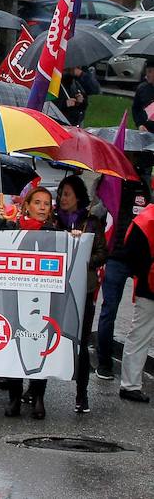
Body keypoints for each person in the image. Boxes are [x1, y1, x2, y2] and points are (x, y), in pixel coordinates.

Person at [0, 186, 62, 418]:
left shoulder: (55, 232)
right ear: (27, 206)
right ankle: (14, 398)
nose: (43, 207)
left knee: (40, 346)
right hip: (16, 297)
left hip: (43, 297)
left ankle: (38, 396)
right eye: (38, 203)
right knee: (15, 346)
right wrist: (0, 221)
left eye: (47, 203)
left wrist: (75, 239)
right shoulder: (13, 227)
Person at [54, 175, 106, 412]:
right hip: (54, 289)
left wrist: (81, 252)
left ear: (78, 197)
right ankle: (34, 390)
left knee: (81, 344)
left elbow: (101, 254)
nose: (63, 198)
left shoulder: (92, 222)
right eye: (61, 193)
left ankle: (81, 394)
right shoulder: (53, 221)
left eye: (67, 194)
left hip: (82, 289)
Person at [96, 169, 151, 378]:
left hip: (139, 258)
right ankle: (104, 363)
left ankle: (132, 371)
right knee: (109, 309)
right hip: (116, 256)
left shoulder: (143, 185)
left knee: (144, 312)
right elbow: (100, 212)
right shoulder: (111, 180)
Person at [119, 200, 154, 402]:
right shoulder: (147, 219)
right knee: (140, 335)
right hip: (149, 285)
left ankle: (130, 384)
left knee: (139, 335)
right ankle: (130, 385)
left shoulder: (146, 218)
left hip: (148, 284)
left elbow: (130, 253)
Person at [133, 61, 154, 133]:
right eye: (146, 72)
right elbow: (136, 109)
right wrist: (139, 124)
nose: (147, 75)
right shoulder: (142, 88)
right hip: (145, 130)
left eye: (150, 72)